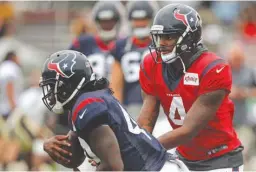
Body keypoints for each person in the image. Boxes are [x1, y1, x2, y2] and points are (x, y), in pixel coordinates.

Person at [40, 50, 189, 171]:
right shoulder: (84, 103)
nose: (51, 93)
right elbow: (75, 157)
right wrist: (50, 146)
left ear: (69, 84)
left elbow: (113, 167)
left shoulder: (87, 106)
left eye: (54, 86)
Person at [138, 3, 244, 171]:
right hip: (183, 157)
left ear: (189, 37)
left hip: (219, 159)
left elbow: (189, 130)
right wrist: (136, 143)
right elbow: (148, 117)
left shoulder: (214, 68)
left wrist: (143, 148)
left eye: (169, 37)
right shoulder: (151, 64)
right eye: (159, 37)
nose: (161, 43)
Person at [110, 1, 157, 113]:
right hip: (132, 103)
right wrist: (118, 109)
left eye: (143, 19)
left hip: (159, 101)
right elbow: (116, 82)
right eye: (136, 19)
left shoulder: (161, 43)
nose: (140, 23)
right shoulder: (121, 46)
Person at [69, 1, 124, 79]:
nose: (107, 25)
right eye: (103, 21)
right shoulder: (83, 43)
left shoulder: (125, 44)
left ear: (117, 21)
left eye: (111, 21)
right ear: (97, 22)